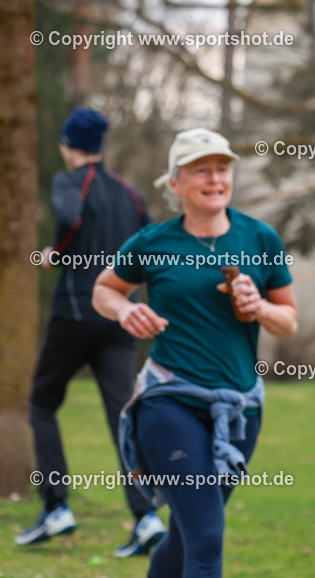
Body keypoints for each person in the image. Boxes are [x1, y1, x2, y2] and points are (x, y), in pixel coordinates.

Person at [93, 128, 298, 577]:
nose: (214, 178)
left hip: (241, 409)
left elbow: (288, 319)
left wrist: (258, 305)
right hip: (170, 402)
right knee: (206, 538)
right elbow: (104, 289)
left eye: (222, 168)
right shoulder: (153, 241)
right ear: (175, 183)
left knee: (187, 535)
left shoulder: (260, 239)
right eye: (200, 169)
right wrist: (125, 310)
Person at [15, 107, 165, 557]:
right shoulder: (130, 192)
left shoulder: (69, 182)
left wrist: (55, 255)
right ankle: (147, 517)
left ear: (69, 144)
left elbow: (70, 217)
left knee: (42, 403)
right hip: (122, 317)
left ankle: (57, 505)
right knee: (122, 415)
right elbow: (151, 242)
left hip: (76, 312)